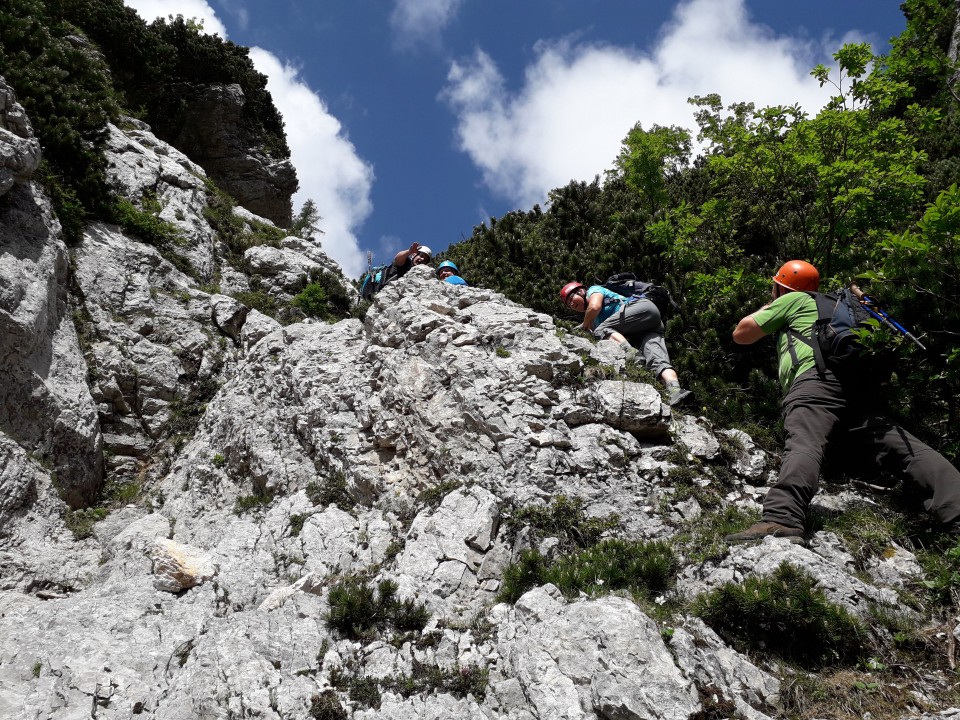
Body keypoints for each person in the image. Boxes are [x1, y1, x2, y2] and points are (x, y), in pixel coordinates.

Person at [725, 259, 960, 544]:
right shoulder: (837, 306)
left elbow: (742, 334)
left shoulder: (795, 299)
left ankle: (782, 517)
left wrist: (772, 303)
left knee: (805, 442)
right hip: (856, 388)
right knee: (904, 449)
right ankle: (955, 507)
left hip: (815, 382)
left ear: (780, 286)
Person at [560, 280, 692, 406]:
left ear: (581, 291)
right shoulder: (594, 323)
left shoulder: (593, 290)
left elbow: (594, 307)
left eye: (571, 298)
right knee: (657, 359)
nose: (571, 304)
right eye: (568, 304)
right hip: (650, 321)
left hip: (640, 308)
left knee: (601, 330)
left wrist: (584, 325)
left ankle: (632, 355)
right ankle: (675, 390)